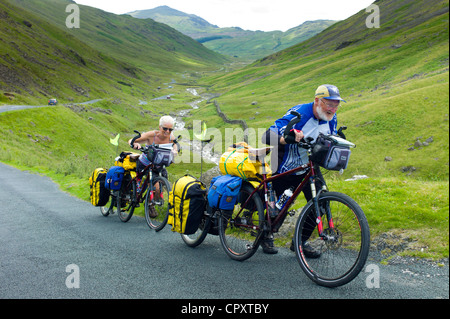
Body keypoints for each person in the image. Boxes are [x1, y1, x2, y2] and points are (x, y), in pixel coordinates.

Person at [261, 84, 346, 256]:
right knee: (280, 205)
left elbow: (328, 138)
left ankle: (300, 242)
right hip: (285, 165)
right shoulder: (299, 114)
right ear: (317, 101)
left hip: (309, 168)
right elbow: (267, 135)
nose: (333, 109)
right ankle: (265, 234)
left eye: (336, 105)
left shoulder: (331, 118)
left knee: (321, 203)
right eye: (329, 104)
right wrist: (286, 138)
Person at [128, 116, 178, 216]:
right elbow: (131, 140)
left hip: (158, 165)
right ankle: (138, 196)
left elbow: (175, 144)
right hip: (145, 164)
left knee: (159, 186)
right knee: (147, 184)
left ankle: (150, 203)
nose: (167, 131)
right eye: (165, 128)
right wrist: (135, 144)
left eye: (170, 129)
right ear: (160, 127)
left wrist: (175, 150)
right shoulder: (151, 135)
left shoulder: (171, 137)